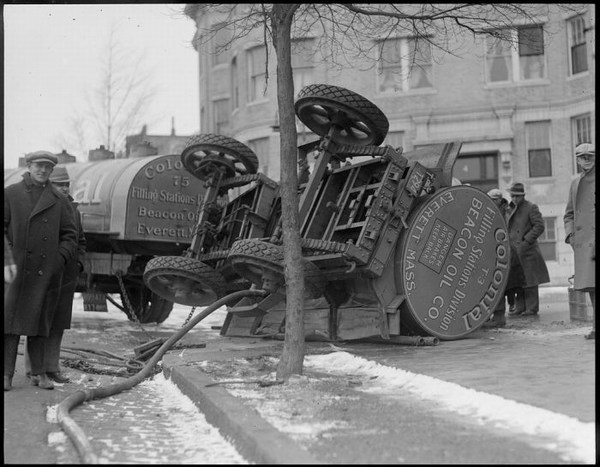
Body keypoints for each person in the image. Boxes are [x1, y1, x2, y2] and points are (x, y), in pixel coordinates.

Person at [4, 151, 78, 391]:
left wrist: (57, 261)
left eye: (47, 167)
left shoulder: (59, 199)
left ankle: (38, 374)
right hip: (15, 271)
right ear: (29, 166)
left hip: (45, 273)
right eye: (38, 166)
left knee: (40, 324)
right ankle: (5, 375)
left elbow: (70, 235)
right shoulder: (11, 193)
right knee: (9, 325)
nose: (43, 170)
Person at [24, 165, 87, 382]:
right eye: (59, 184)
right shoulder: (43, 206)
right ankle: (33, 368)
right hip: (44, 273)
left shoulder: (73, 209)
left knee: (58, 323)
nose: (63, 188)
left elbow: (81, 242)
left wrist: (78, 263)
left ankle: (52, 367)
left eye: (66, 184)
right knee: (38, 321)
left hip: (66, 275)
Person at [564, 143, 595, 339]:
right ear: (576, 159)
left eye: (589, 156)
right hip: (583, 244)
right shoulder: (575, 184)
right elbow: (568, 214)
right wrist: (571, 236)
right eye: (582, 157)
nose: (586, 160)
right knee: (592, 289)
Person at [505, 182, 550, 317]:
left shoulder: (531, 207)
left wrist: (526, 241)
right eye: (512, 196)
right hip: (514, 251)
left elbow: (539, 226)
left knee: (530, 281)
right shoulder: (509, 209)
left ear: (522, 196)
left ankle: (532, 308)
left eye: (517, 196)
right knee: (519, 281)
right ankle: (520, 307)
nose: (514, 199)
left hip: (528, 250)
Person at [483, 188, 526, 327]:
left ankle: (499, 317)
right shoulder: (501, 210)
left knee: (499, 285)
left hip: (503, 253)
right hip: (499, 252)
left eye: (493, 199)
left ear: (498, 200)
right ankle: (495, 316)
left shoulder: (503, 212)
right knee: (498, 285)